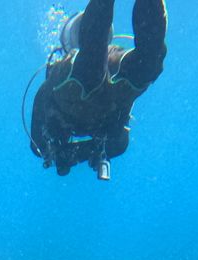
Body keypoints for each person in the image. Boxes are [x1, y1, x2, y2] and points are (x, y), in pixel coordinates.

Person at [30, 0, 168, 180]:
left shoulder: (54, 87)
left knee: (144, 63)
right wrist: (82, 152)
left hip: (94, 95)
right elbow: (119, 144)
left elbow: (38, 146)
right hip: (101, 96)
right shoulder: (50, 87)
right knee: (145, 63)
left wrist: (74, 153)